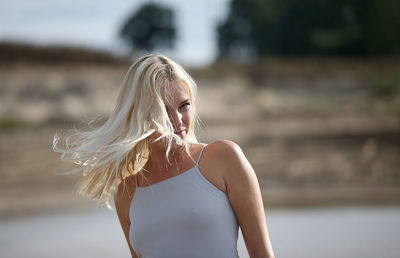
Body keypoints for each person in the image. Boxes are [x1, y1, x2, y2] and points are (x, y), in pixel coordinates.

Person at [53, 54, 275, 258]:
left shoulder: (223, 158)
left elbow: (262, 254)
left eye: (184, 106)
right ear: (139, 114)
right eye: (163, 110)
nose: (177, 121)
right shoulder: (127, 191)